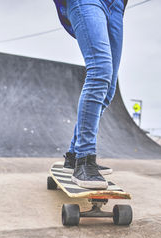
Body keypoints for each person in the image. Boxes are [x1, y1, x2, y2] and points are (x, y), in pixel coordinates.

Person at [53, 0, 128, 189]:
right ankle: (85, 160)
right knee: (100, 72)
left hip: (116, 6)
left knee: (109, 90)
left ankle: (73, 156)